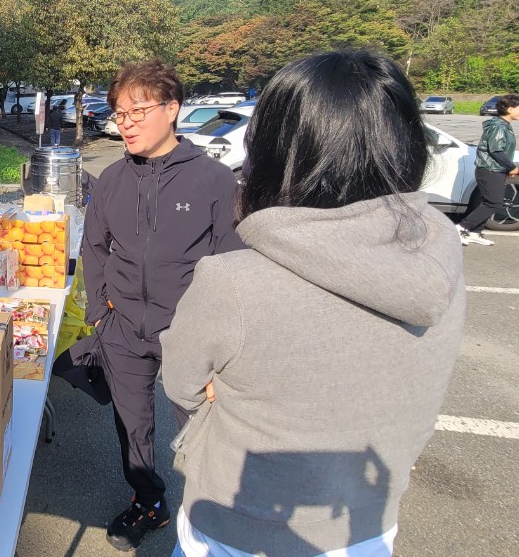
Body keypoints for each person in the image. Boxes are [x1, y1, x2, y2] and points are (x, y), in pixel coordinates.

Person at [161, 50, 466, 557]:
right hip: (365, 525)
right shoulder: (440, 251)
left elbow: (182, 385)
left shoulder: (232, 281)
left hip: (241, 526)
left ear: (275, 152)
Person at [53, 59, 244, 552]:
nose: (126, 123)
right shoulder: (112, 179)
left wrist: (223, 347)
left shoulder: (215, 181)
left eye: (138, 111)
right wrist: (100, 314)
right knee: (132, 426)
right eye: (120, 114)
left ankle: (210, 515)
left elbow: (235, 264)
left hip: (190, 334)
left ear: (172, 109)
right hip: (122, 329)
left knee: (202, 431)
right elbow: (94, 248)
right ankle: (149, 501)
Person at [456, 94, 519, 246]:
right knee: (494, 203)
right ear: (510, 109)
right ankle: (461, 228)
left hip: (494, 169)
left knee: (488, 202)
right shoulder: (499, 126)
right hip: (490, 170)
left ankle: (474, 232)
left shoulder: (503, 125)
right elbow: (496, 150)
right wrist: (511, 167)